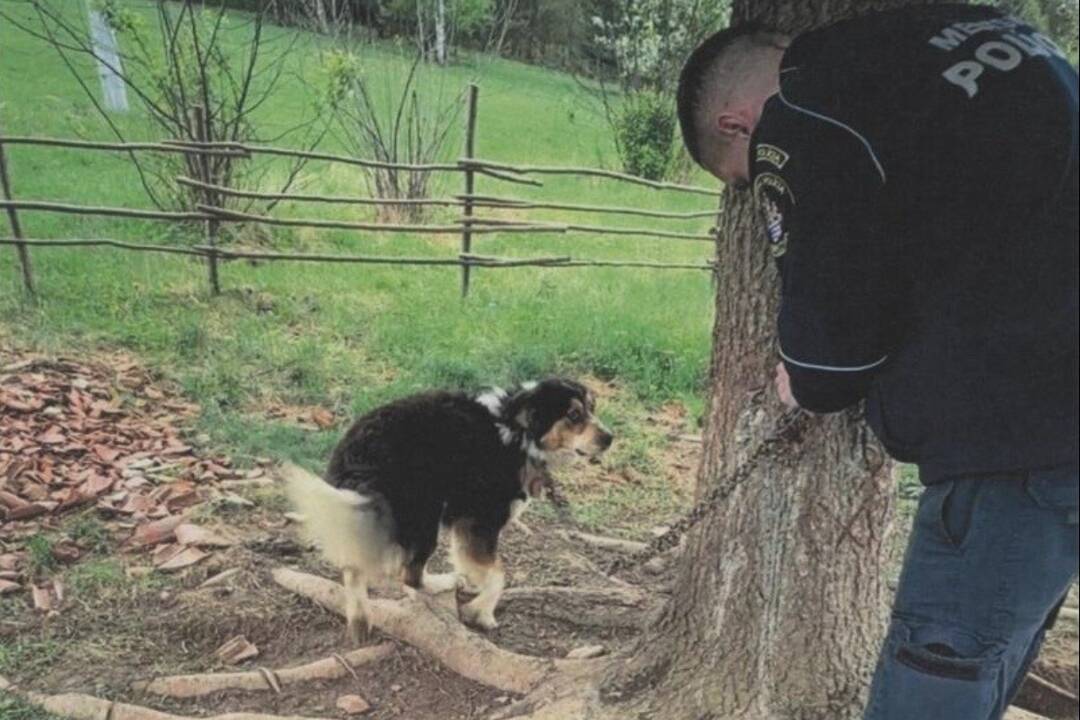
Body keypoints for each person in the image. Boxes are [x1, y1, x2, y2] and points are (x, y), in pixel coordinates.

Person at [676, 5, 1078, 719]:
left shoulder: (805, 109)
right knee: (995, 653)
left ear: (737, 126)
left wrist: (803, 378)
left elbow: (830, 356)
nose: (753, 182)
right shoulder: (985, 31)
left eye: (740, 177)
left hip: (1016, 440)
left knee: (940, 669)